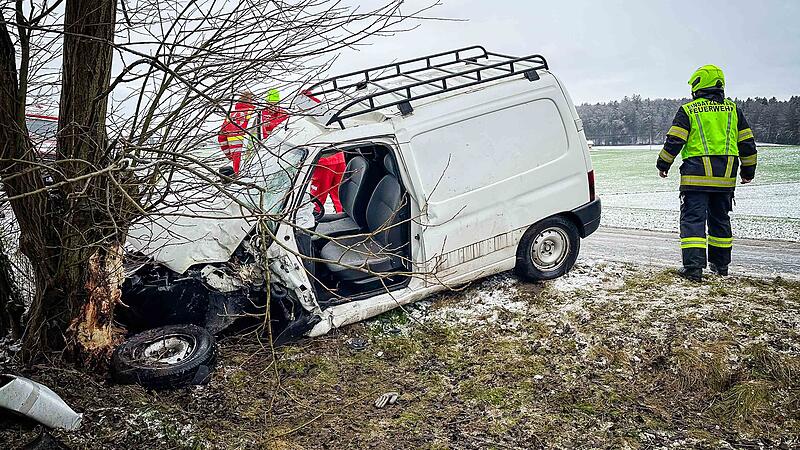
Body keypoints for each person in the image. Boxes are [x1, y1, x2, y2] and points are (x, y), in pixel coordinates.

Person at [656, 65, 758, 282]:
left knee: (693, 221)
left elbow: (674, 140)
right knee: (720, 220)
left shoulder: (689, 110)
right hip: (725, 179)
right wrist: (748, 171)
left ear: (698, 85)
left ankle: (693, 269)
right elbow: (747, 143)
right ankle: (721, 266)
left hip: (696, 178)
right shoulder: (733, 111)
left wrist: (663, 164)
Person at [218, 91, 255, 175]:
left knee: (239, 177)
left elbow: (221, 138)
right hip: (253, 154)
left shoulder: (229, 116)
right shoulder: (253, 114)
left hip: (237, 158)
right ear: (251, 101)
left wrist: (230, 156)